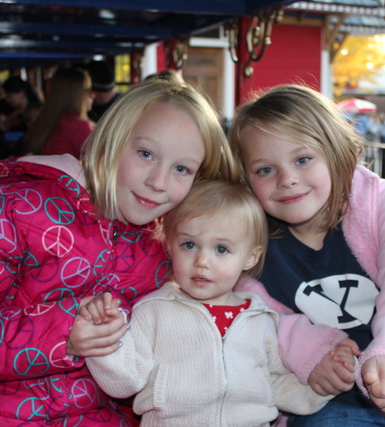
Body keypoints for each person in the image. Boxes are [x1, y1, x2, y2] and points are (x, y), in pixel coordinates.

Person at [0, 78, 237, 426]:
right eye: (145, 154)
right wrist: (63, 335)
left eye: (181, 169)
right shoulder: (12, 207)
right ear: (111, 142)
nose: (158, 181)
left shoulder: (168, 246)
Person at [228, 84, 385, 427]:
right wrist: (309, 353)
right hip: (321, 402)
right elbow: (251, 315)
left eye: (302, 159)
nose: (287, 179)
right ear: (246, 180)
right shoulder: (249, 237)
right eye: (265, 170)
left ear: (334, 152)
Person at [83, 179, 356, 425]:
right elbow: (124, 382)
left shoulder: (261, 318)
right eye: (189, 245)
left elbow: (278, 387)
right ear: (169, 244)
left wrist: (332, 378)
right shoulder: (153, 311)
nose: (202, 261)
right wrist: (103, 341)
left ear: (250, 257)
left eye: (221, 249)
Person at [22, 67, 94, 158]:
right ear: (78, 94)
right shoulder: (77, 127)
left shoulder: (42, 121)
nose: (92, 94)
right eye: (88, 90)